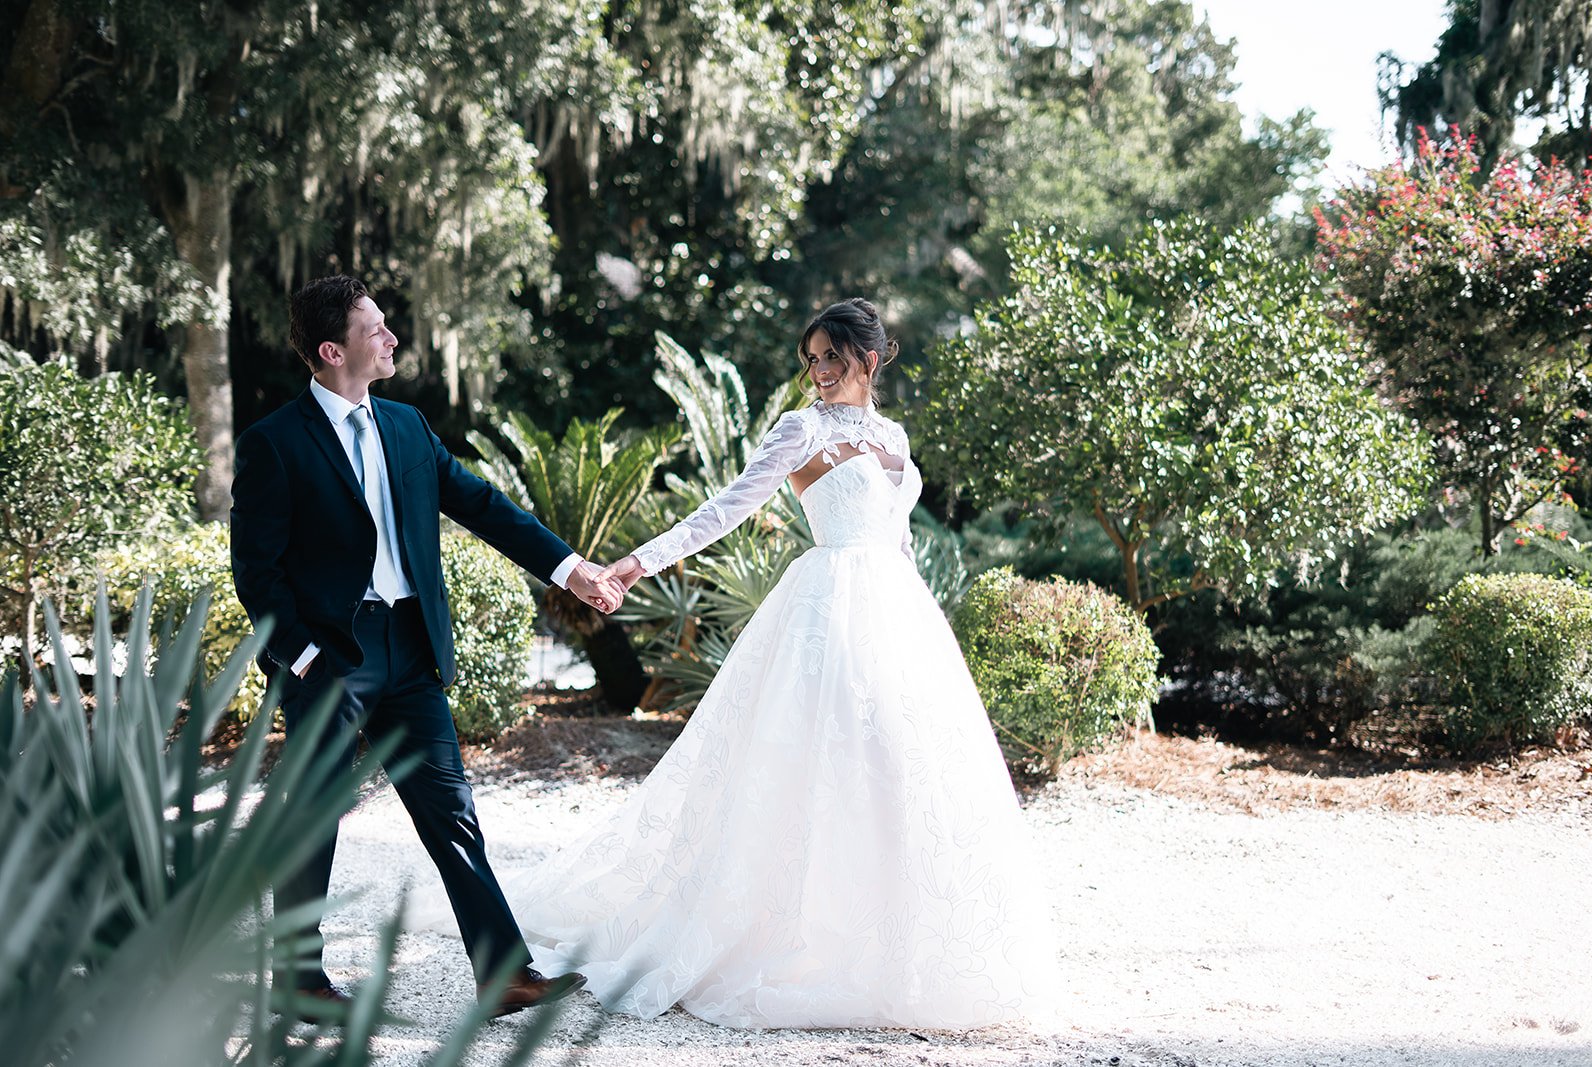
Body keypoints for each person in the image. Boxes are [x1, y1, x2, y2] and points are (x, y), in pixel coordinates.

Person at [480, 298, 1060, 1028]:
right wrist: (636, 562)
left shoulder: (894, 436)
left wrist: (923, 626)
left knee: (900, 770)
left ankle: (898, 946)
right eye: (811, 358)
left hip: (897, 613)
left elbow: (899, 537)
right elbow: (725, 509)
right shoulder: (801, 429)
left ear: (869, 358)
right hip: (825, 613)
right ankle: (795, 936)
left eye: (831, 357)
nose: (818, 371)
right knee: (813, 768)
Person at [229, 275, 621, 1020]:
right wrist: (305, 658)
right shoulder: (273, 442)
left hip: (411, 650)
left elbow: (483, 506)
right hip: (331, 656)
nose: (392, 338)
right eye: (375, 329)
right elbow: (256, 570)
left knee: (452, 811)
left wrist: (572, 570)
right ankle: (300, 980)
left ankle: (504, 973)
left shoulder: (407, 426)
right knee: (313, 816)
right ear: (331, 350)